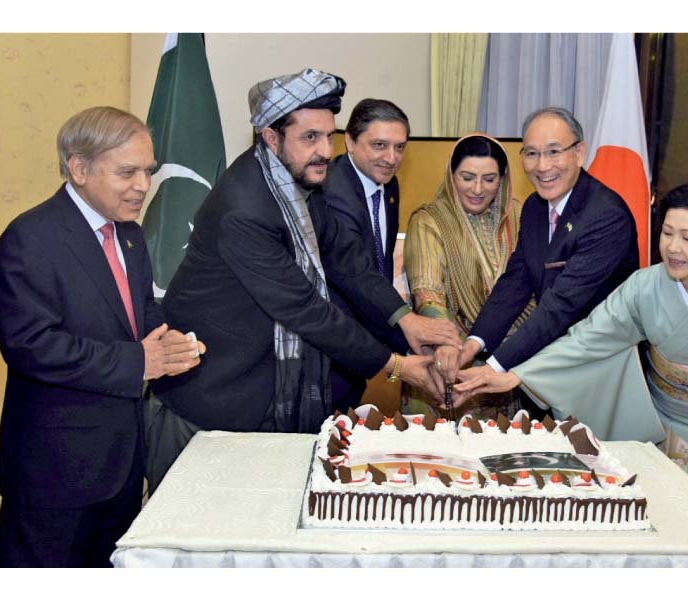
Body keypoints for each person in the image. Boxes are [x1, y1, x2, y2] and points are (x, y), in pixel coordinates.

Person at [146, 69, 459, 494]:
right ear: (270, 137)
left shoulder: (301, 182)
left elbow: (346, 259)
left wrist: (405, 318)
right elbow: (305, 311)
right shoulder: (245, 207)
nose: (324, 152)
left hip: (261, 402)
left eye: (328, 136)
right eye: (309, 138)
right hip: (209, 408)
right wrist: (397, 367)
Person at [457, 178, 688, 512]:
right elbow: (590, 337)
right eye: (667, 233)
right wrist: (521, 375)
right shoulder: (644, 287)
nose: (673, 247)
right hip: (656, 424)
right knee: (655, 522)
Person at [0, 106, 203, 567]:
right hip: (55, 473)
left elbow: (139, 315)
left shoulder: (129, 234)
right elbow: (30, 344)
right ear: (80, 167)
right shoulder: (30, 237)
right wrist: (139, 363)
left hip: (123, 463)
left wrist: (171, 343)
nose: (144, 186)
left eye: (147, 171)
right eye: (127, 172)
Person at [440, 107, 639, 420]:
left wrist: (494, 367)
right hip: (544, 361)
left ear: (579, 152)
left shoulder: (605, 215)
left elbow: (561, 304)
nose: (542, 166)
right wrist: (474, 344)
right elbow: (516, 281)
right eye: (531, 153)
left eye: (554, 152)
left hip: (595, 371)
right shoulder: (535, 207)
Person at [403, 133, 534, 419]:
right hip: (448, 362)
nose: (477, 188)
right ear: (451, 175)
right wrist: (447, 344)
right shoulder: (429, 220)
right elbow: (427, 290)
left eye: (489, 179)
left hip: (507, 363)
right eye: (467, 177)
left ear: (502, 179)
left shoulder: (520, 214)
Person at [322, 98, 411, 412]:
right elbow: (355, 274)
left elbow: (380, 267)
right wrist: (409, 332)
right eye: (379, 145)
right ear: (349, 140)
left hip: (363, 342)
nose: (391, 158)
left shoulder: (389, 185)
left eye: (399, 147)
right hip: (329, 352)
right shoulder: (330, 190)